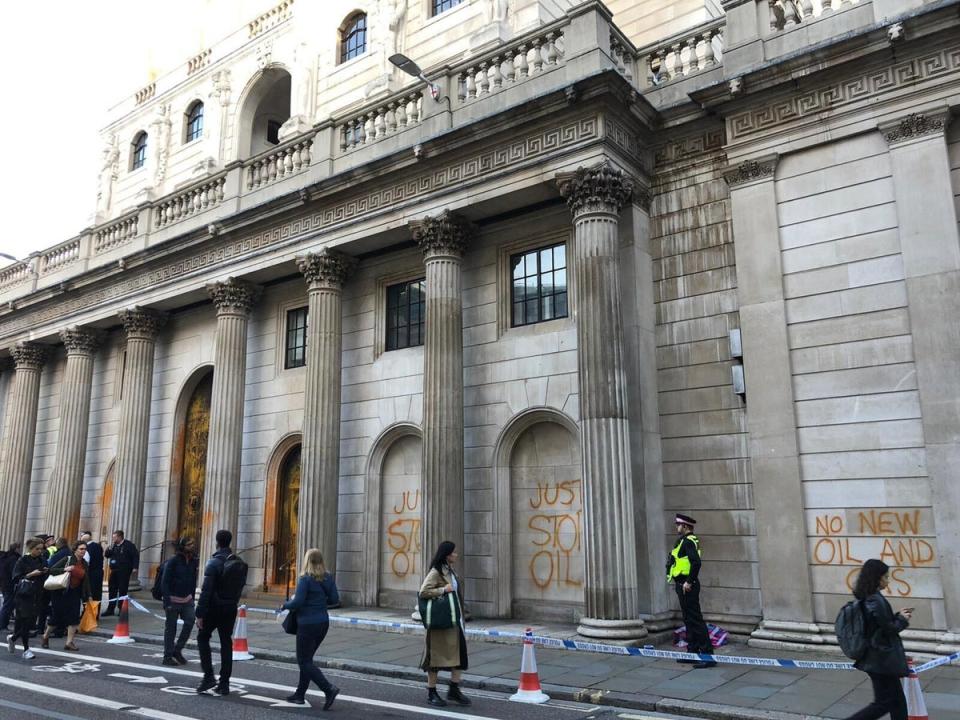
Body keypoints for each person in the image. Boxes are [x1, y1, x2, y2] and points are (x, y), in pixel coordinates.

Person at [843, 559, 912, 720]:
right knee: (883, 703)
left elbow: (878, 625)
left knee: (898, 702)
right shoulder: (875, 599)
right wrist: (902, 619)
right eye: (886, 577)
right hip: (881, 658)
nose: (888, 581)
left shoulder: (868, 597)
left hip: (879, 657)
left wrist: (897, 616)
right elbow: (889, 629)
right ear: (877, 578)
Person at [280, 548, 340, 709]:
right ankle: (300, 694)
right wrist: (319, 602)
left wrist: (285, 604)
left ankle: (329, 689)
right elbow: (335, 599)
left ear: (307, 561)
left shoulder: (305, 580)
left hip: (307, 624)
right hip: (323, 623)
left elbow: (297, 602)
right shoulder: (328, 578)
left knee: (304, 661)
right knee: (307, 660)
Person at [418, 540, 470, 707]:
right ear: (447, 555)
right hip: (440, 624)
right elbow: (423, 592)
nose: (456, 555)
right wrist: (443, 590)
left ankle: (454, 689)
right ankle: (431, 692)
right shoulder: (436, 571)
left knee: (459, 656)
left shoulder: (449, 570)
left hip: (454, 622)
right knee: (435, 659)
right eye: (454, 552)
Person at [195, 529, 246, 696]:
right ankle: (224, 683)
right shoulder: (238, 562)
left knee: (203, 638)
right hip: (230, 607)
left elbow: (206, 591)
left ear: (217, 542)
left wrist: (199, 613)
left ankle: (209, 676)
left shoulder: (213, 563)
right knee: (226, 643)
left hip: (213, 608)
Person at [667, 513, 716, 669]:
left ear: (685, 526)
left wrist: (689, 581)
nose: (676, 527)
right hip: (682, 585)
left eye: (678, 525)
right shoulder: (683, 541)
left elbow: (696, 563)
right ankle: (692, 652)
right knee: (688, 619)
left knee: (695, 620)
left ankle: (708, 656)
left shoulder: (688, 541)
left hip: (688, 586)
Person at [43, 541, 91, 651]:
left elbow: (86, 581)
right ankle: (45, 636)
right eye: (81, 549)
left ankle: (69, 642)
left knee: (74, 618)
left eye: (85, 549)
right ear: (75, 550)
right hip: (62, 592)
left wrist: (88, 595)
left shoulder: (84, 564)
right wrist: (64, 569)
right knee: (57, 617)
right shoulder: (68, 559)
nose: (83, 551)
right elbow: (51, 570)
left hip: (75, 592)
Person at [7, 538, 48, 659]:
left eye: (41, 549)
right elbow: (16, 577)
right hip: (23, 595)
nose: (40, 551)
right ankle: (26, 649)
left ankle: (13, 638)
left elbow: (46, 573)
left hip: (37, 594)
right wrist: (31, 574)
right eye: (37, 549)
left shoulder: (43, 560)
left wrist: (46, 572)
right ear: (31, 549)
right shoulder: (22, 560)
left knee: (30, 623)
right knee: (25, 621)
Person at [161, 537, 199, 666]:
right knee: (171, 628)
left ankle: (177, 649)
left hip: (187, 599)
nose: (192, 546)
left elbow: (193, 580)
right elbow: (165, 582)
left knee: (190, 621)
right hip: (173, 599)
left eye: (193, 543)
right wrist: (167, 602)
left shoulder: (194, 561)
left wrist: (192, 597)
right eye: (189, 544)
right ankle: (167, 656)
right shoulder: (173, 561)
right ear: (183, 546)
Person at [36, 537, 69, 638]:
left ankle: (42, 628)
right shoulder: (69, 553)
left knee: (47, 606)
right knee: (58, 607)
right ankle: (59, 628)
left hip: (53, 583)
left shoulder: (57, 554)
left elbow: (50, 567)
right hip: (63, 583)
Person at [104, 530, 139, 616]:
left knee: (123, 590)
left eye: (114, 537)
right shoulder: (113, 546)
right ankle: (110, 609)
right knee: (112, 589)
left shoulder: (129, 545)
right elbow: (107, 555)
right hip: (114, 570)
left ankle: (121, 609)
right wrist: (108, 549)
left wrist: (135, 567)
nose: (113, 539)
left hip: (124, 570)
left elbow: (135, 556)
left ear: (120, 537)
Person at [79, 531, 104, 617]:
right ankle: (95, 613)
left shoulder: (86, 549)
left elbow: (86, 563)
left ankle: (87, 614)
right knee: (97, 594)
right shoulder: (98, 546)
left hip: (90, 574)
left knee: (88, 594)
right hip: (99, 573)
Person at [0, 542, 21, 631]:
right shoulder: (13, 559)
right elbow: (15, 572)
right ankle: (2, 624)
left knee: (7, 604)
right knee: (8, 605)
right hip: (10, 585)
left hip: (4, 583)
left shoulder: (5, 557)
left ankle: (3, 624)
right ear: (16, 549)